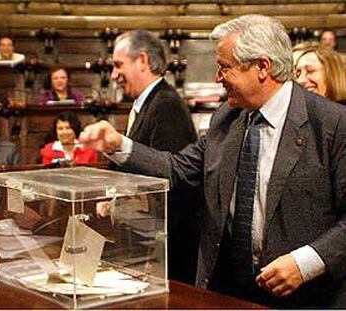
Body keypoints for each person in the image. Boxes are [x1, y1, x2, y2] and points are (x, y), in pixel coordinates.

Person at [80, 15, 346, 308]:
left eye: (224, 67)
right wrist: (118, 144)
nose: (218, 78)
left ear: (262, 67)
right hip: (228, 292)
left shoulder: (331, 124)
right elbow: (177, 169)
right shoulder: (227, 118)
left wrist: (308, 261)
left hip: (305, 297)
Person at [104, 29, 201, 285]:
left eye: (118, 65)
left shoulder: (166, 104)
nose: (113, 75)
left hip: (166, 252)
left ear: (143, 61)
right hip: (146, 242)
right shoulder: (147, 102)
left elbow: (170, 178)